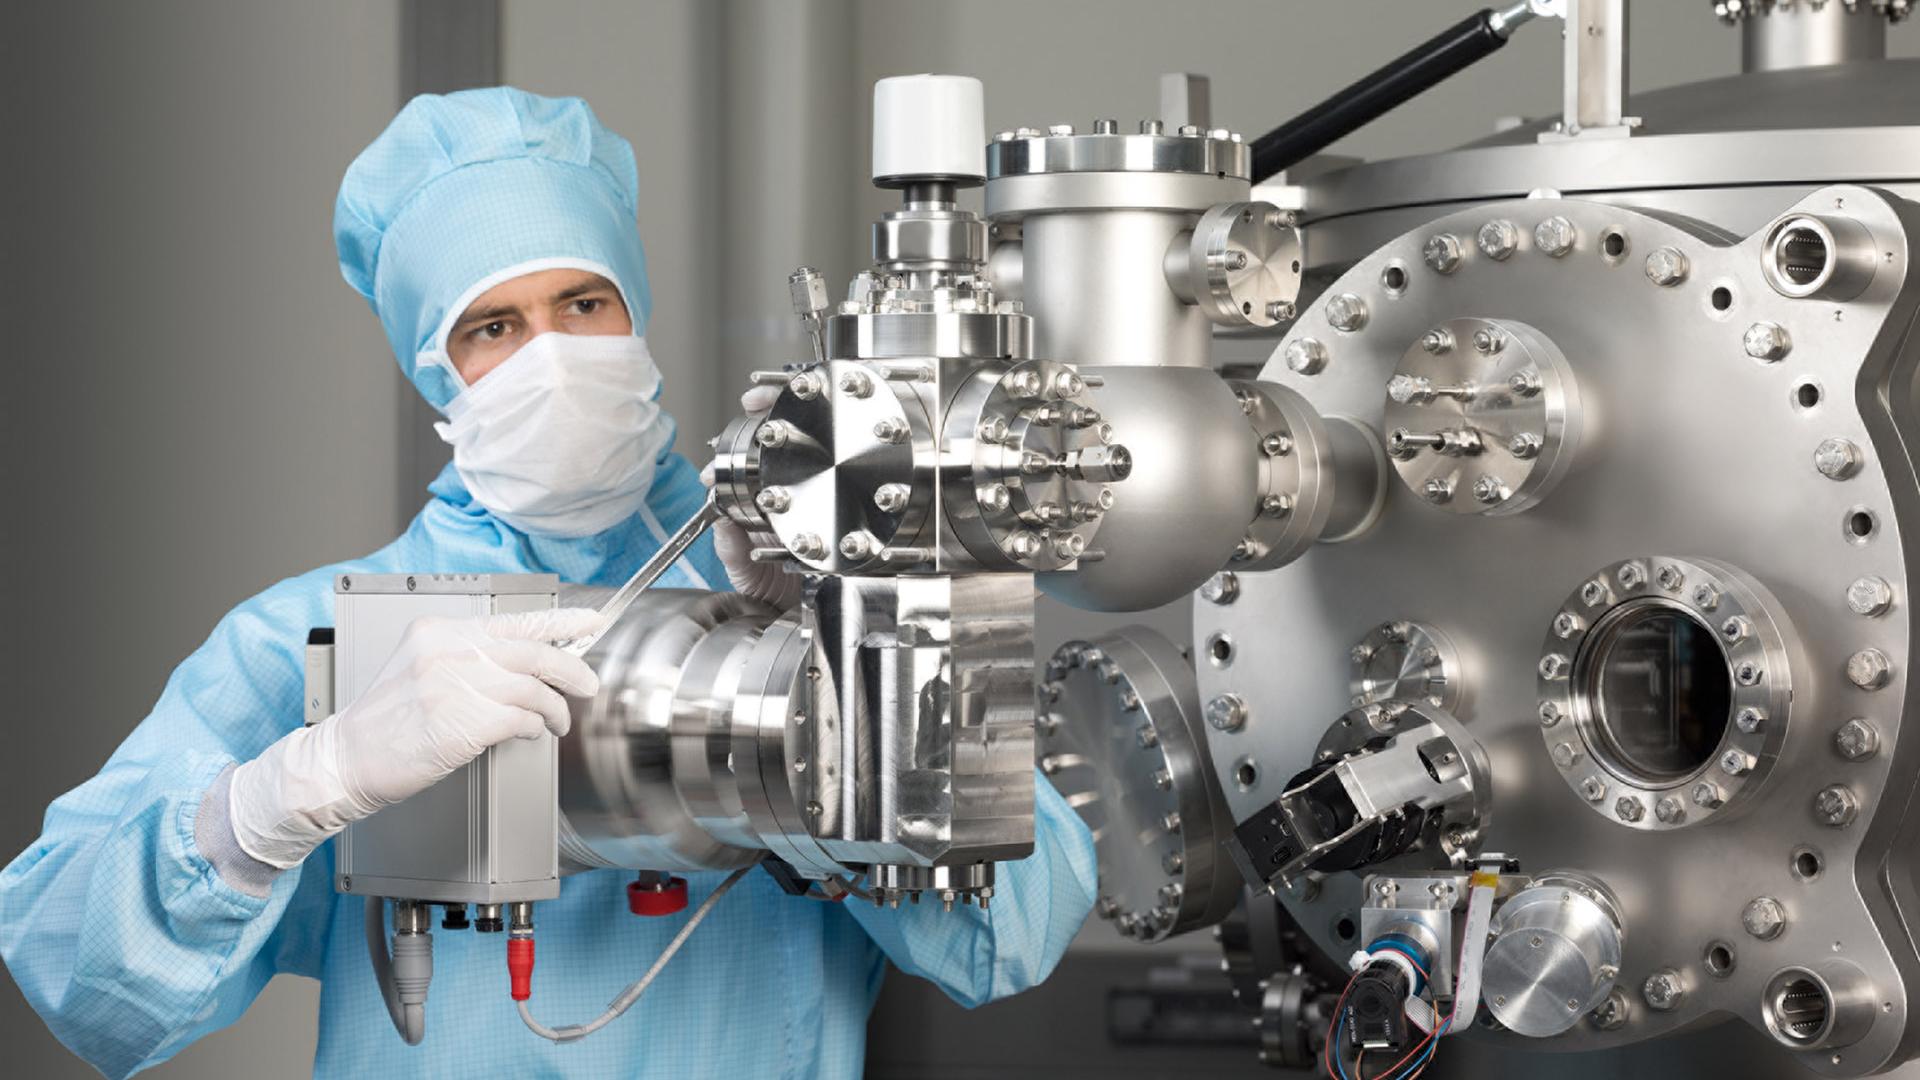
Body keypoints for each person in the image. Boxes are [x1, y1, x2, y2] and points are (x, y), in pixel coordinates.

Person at [0, 87, 1096, 1078]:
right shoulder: (316, 639)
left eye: (584, 304)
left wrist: (836, 651)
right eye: (494, 327)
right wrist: (287, 794)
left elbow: (1013, 938)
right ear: (439, 368)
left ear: (635, 316)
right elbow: (76, 978)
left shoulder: (818, 593)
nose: (554, 355)